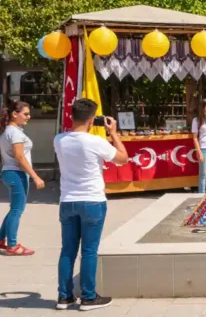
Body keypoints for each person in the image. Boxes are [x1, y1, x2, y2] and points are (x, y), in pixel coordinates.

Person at [54, 98, 129, 311]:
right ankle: (88, 297)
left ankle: (64, 296)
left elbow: (71, 133)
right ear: (91, 119)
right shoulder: (95, 142)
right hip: (92, 201)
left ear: (71, 115)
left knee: (67, 250)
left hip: (67, 201)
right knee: (88, 251)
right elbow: (123, 158)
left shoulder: (59, 140)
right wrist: (113, 132)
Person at [0, 100, 44, 256]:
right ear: (14, 114)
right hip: (16, 173)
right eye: (25, 114)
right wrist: (35, 176)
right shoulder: (15, 133)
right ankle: (12, 245)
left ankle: (1, 240)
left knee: (14, 209)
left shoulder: (9, 131)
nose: (28, 117)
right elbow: (19, 156)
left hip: (9, 172)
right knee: (17, 210)